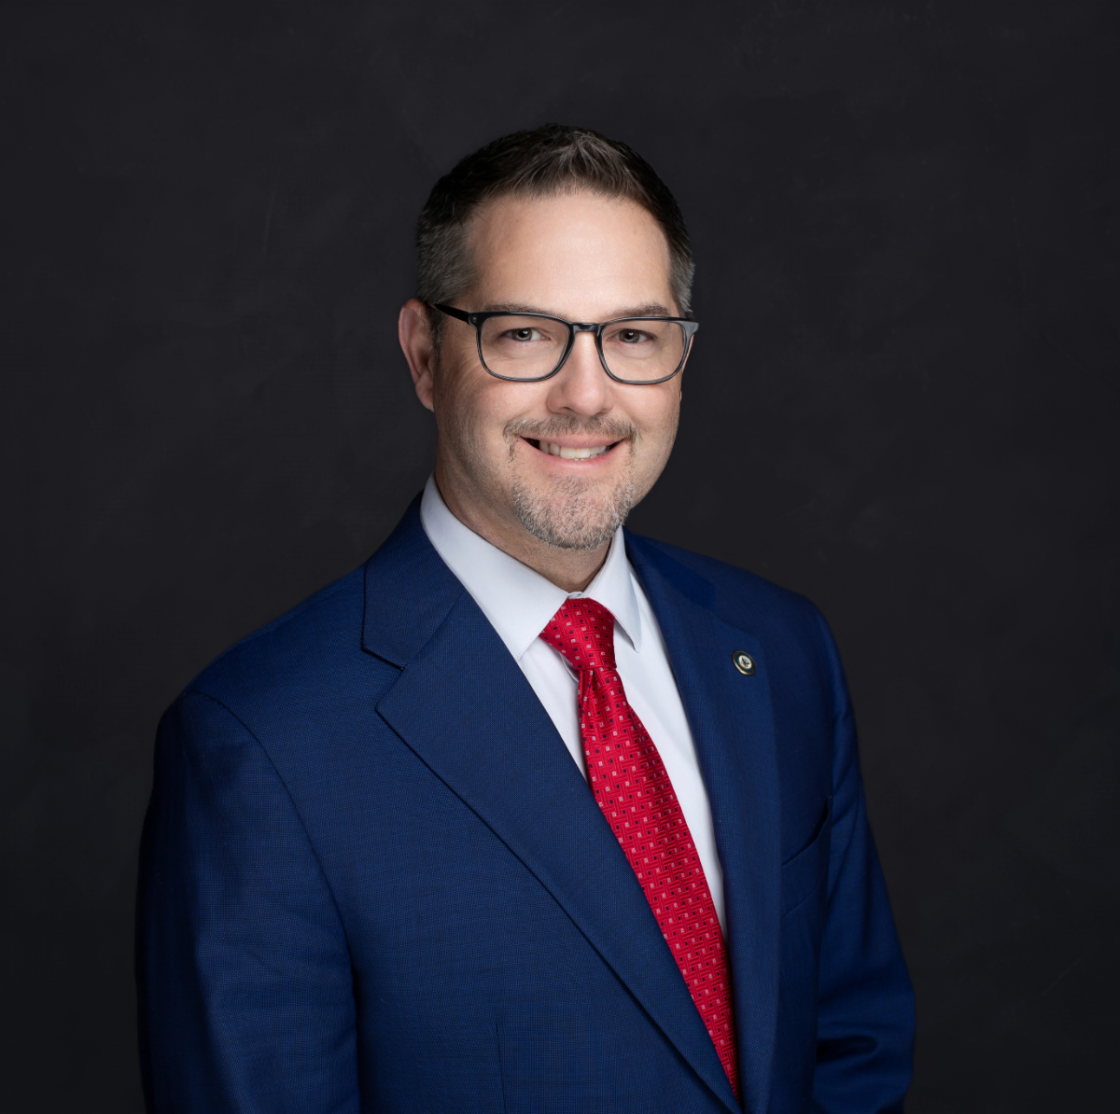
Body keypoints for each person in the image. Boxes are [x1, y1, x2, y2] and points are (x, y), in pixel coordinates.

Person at [137, 124, 914, 1114]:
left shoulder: (779, 649)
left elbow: (853, 1045)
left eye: (632, 335)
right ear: (425, 356)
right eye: (525, 334)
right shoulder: (259, 746)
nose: (584, 395)